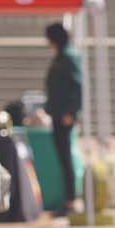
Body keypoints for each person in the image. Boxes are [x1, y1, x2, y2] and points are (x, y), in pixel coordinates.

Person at [44, 22, 83, 210]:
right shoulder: (61, 56)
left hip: (64, 115)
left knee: (66, 157)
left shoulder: (68, 57)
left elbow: (77, 87)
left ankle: (71, 198)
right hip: (57, 112)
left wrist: (72, 112)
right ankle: (68, 197)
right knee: (62, 156)